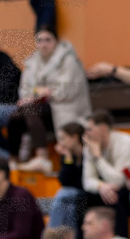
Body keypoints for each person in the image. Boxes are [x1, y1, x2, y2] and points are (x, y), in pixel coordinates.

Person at [12, 27, 91, 171]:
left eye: (48, 40)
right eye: (40, 40)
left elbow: (67, 91)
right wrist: (38, 93)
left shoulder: (68, 61)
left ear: (56, 42)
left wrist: (47, 93)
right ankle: (13, 159)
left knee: (29, 109)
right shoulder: (32, 63)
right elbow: (25, 90)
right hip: (40, 110)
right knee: (15, 116)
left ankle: (42, 157)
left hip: (64, 107)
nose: (43, 44)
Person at [82, 111, 130, 238]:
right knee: (82, 198)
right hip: (107, 189)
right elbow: (87, 180)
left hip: (126, 188)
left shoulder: (125, 143)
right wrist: (101, 186)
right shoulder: (89, 147)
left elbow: (119, 181)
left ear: (103, 128)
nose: (86, 134)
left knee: (115, 197)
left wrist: (98, 157)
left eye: (90, 129)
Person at [47, 122, 86, 230]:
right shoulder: (68, 155)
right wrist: (68, 157)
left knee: (63, 194)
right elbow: (65, 181)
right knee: (68, 209)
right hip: (74, 196)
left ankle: (51, 235)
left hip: (88, 192)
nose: (61, 143)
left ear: (74, 137)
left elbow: (83, 182)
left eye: (63, 138)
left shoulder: (88, 153)